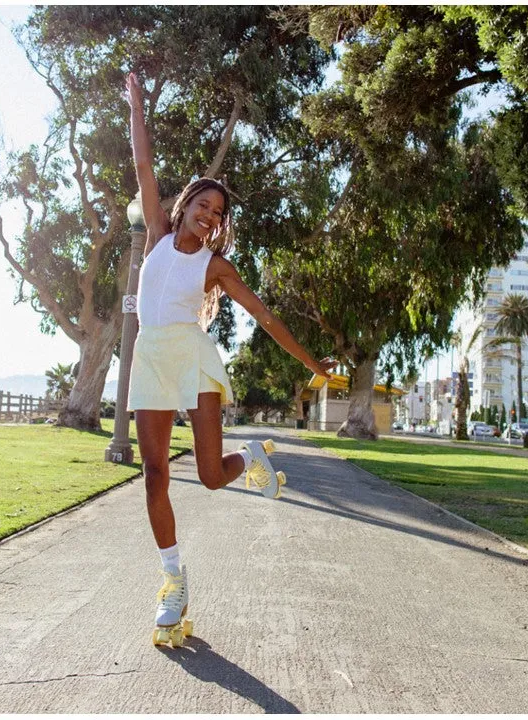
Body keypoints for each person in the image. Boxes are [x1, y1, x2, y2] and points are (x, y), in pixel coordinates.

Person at [124, 72, 335, 645]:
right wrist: (138, 103)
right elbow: (144, 167)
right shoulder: (156, 240)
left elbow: (265, 317)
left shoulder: (216, 268)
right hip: (150, 358)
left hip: (190, 357)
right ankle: (172, 580)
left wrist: (313, 365)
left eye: (218, 213)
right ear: (186, 203)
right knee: (155, 476)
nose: (209, 215)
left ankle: (247, 456)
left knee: (213, 479)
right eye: (203, 204)